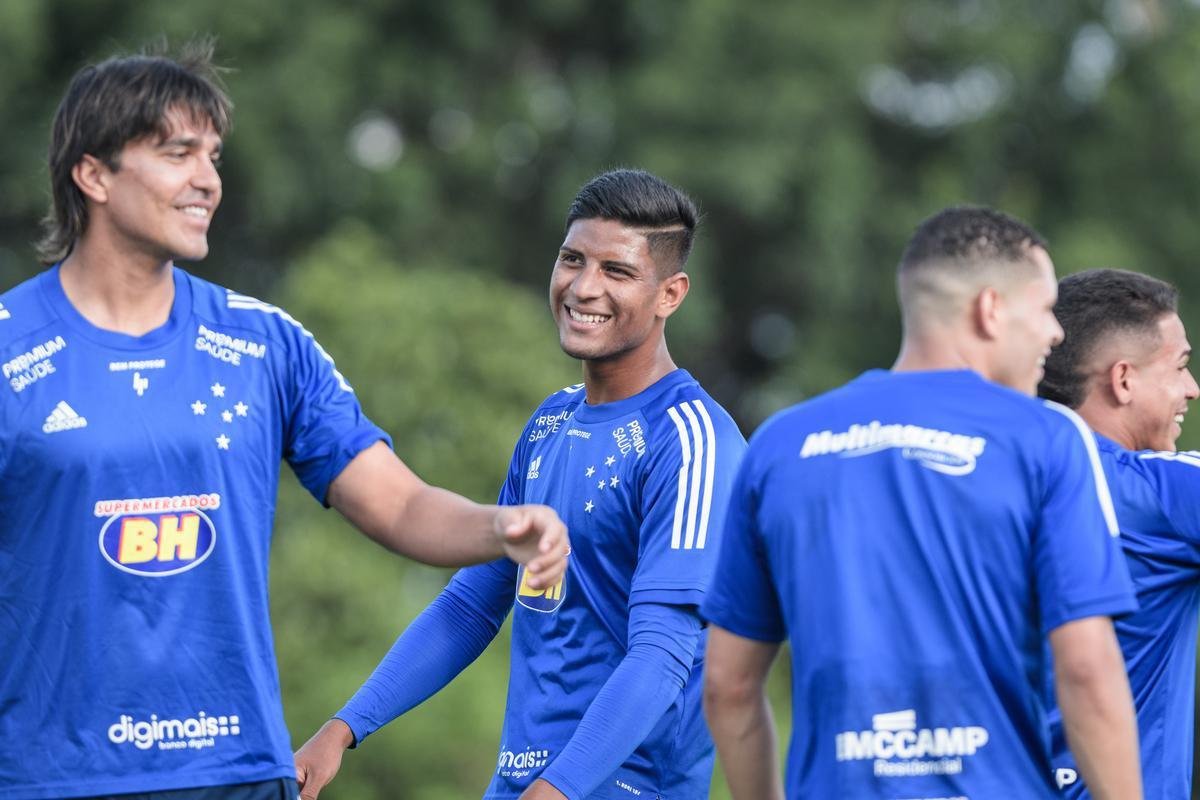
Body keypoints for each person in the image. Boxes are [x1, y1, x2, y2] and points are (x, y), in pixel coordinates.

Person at [0, 42, 568, 800]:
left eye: (215, 156)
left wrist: (499, 528)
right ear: (93, 173)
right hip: (50, 781)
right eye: (178, 153)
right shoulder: (10, 346)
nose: (208, 180)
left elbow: (397, 502)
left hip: (237, 776)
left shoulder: (262, 344)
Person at [292, 168, 747, 800]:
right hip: (521, 786)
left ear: (670, 294)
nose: (583, 287)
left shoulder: (691, 440)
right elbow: (471, 604)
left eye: (616, 271)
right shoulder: (550, 423)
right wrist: (342, 729)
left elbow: (663, 656)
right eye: (572, 259)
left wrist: (556, 789)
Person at [701, 207, 1142, 799]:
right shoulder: (1046, 437)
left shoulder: (780, 444)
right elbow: (1087, 671)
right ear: (990, 309)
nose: (1056, 333)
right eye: (1044, 310)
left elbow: (728, 687)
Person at [1037, 268, 1200, 798]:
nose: (1192, 390)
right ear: (1123, 379)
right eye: (1180, 367)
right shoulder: (1165, 494)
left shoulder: (984, 480)